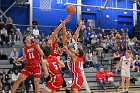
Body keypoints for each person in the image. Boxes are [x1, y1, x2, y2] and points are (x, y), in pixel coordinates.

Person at [62, 20, 91, 93]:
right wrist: (63, 25)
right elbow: (63, 33)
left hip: (77, 58)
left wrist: (80, 25)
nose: (67, 33)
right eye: (67, 32)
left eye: (69, 32)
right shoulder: (65, 41)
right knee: (75, 73)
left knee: (81, 73)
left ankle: (78, 87)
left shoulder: (74, 39)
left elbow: (77, 31)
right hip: (70, 60)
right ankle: (74, 86)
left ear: (71, 34)